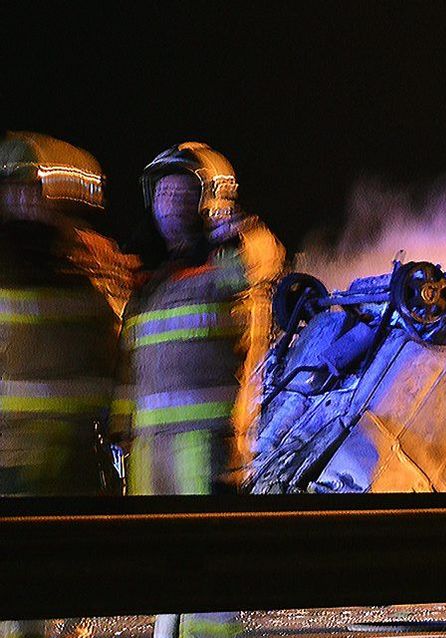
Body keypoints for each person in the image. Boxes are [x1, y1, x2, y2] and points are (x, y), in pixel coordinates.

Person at [112, 142, 283, 638]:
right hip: (152, 457)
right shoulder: (152, 286)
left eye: (182, 194)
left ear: (209, 199)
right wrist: (122, 431)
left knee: (207, 593)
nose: (168, 206)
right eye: (161, 195)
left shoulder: (227, 271)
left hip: (205, 453)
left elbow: (260, 261)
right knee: (166, 589)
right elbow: (131, 368)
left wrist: (238, 230)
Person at [0, 131, 125, 638]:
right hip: (11, 463)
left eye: (36, 187)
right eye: (15, 188)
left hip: (72, 460)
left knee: (67, 603)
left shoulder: (93, 266)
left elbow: (120, 356)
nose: (26, 198)